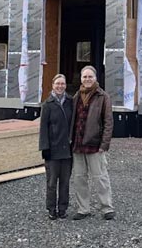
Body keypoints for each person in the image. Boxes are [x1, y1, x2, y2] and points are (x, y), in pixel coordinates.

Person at [70, 65, 114, 220]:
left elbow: (108, 122)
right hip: (78, 143)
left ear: (95, 78)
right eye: (84, 77)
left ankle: (107, 208)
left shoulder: (103, 97)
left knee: (100, 177)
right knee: (79, 177)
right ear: (81, 79)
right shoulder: (76, 97)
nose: (87, 79)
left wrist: (104, 144)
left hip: (95, 145)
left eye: (90, 77)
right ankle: (83, 209)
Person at [38, 73, 73, 220]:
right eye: (57, 83)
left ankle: (63, 208)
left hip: (67, 151)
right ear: (53, 85)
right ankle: (51, 208)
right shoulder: (47, 105)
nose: (60, 86)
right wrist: (44, 148)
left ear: (65, 85)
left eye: (62, 84)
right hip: (52, 150)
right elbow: (43, 128)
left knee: (65, 182)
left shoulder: (70, 102)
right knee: (52, 182)